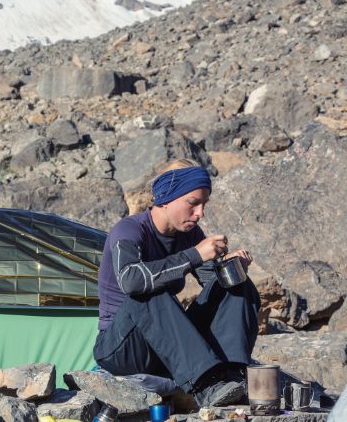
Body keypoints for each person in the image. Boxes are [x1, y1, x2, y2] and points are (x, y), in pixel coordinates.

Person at [93, 159, 260, 407]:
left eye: (204, 205)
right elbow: (131, 281)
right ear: (167, 198)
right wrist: (194, 255)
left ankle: (230, 375)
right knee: (148, 291)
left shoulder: (189, 234)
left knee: (237, 286)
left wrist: (231, 269)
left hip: (165, 344)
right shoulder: (129, 230)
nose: (200, 213)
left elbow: (212, 285)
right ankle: (205, 385)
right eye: (193, 203)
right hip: (123, 349)